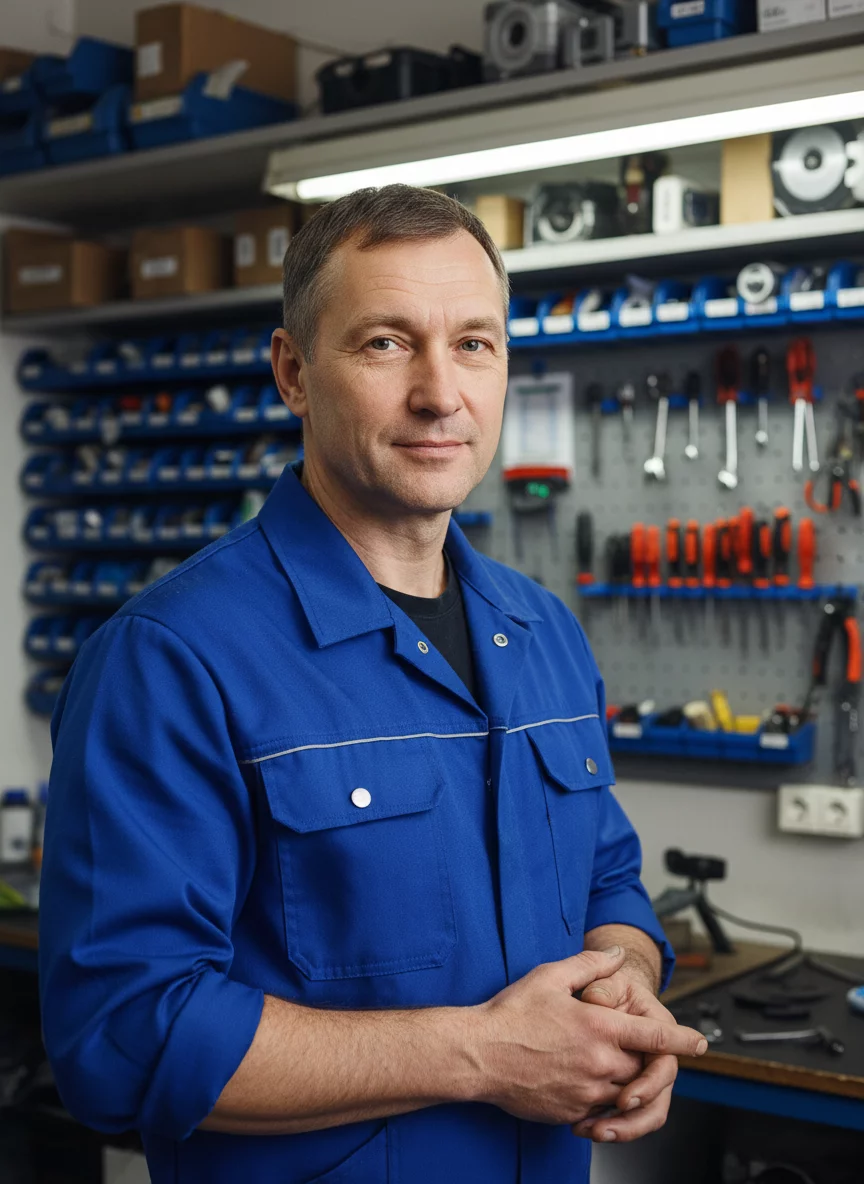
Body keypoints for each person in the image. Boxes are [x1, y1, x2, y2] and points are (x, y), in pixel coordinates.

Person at [39, 184, 707, 1184]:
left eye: (474, 343)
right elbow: (123, 1034)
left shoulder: (545, 632)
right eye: (388, 342)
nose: (442, 392)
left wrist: (630, 997)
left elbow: (607, 882)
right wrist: (481, 1052)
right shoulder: (172, 656)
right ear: (294, 372)